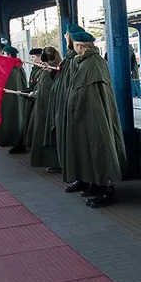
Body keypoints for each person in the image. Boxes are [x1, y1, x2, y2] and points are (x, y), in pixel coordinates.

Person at [63, 29, 127, 208]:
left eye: (75, 45)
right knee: (90, 151)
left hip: (96, 117)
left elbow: (95, 95)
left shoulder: (94, 63)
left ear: (81, 46)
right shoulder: (85, 62)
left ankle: (107, 189)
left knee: (100, 150)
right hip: (87, 116)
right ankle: (95, 184)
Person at [50, 26, 83, 175]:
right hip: (66, 106)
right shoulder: (70, 59)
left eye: (66, 35)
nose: (64, 37)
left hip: (72, 108)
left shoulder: (76, 61)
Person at [28, 47, 62, 169]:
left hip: (50, 111)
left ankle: (55, 163)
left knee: (52, 137)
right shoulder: (46, 72)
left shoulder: (54, 73)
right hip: (43, 109)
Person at [0, 44, 28, 153]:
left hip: (12, 100)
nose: (1, 55)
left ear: (8, 55)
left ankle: (16, 143)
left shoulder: (11, 68)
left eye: (3, 53)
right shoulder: (17, 66)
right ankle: (16, 142)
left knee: (14, 120)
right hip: (15, 98)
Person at [23, 47, 45, 145]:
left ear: (40, 58)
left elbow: (39, 87)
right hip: (32, 100)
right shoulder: (35, 69)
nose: (32, 60)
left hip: (37, 101)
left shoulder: (42, 71)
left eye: (33, 57)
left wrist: (32, 92)